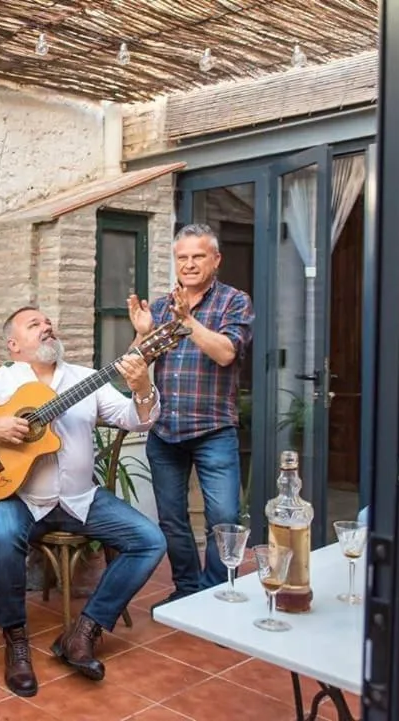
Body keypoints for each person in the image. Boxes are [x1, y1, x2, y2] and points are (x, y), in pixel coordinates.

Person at [0, 307, 166, 695]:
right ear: (14, 345)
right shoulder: (0, 382)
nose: (47, 327)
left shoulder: (87, 379)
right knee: (3, 538)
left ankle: (83, 633)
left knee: (150, 540)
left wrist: (140, 389)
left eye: (48, 323)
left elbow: (135, 420)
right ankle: (16, 641)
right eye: (34, 324)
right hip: (18, 498)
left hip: (79, 500)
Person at [128, 223, 255, 605]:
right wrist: (142, 333)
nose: (189, 264)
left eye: (198, 256)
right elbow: (137, 360)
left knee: (223, 519)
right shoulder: (163, 305)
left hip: (214, 430)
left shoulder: (234, 301)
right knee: (172, 519)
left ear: (215, 260)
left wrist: (189, 323)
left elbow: (226, 352)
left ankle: (214, 593)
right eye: (182, 257)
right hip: (165, 431)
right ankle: (187, 592)